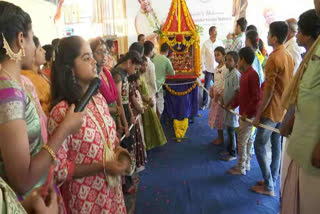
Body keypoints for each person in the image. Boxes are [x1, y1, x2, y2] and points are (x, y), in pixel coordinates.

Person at [0, 0, 83, 202]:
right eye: (31, 37)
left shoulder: (15, 83)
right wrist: (65, 129)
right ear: (21, 39)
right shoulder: (8, 91)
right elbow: (23, 179)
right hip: (30, 201)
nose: (35, 45)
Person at [49, 36, 128, 213]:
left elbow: (109, 139)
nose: (94, 61)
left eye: (92, 56)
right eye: (86, 58)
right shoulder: (61, 112)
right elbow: (58, 171)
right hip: (86, 200)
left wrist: (118, 150)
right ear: (70, 69)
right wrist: (102, 165)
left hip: (112, 193)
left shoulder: (98, 99)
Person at [280, 1, 320, 212]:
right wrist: (291, 120)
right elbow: (304, 92)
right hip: (301, 138)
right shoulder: (312, 52)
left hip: (313, 145)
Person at [251, 21, 294, 196]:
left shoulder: (274, 58)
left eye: (268, 34)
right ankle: (272, 180)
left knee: (259, 144)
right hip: (282, 110)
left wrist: (258, 114)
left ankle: (269, 185)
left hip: (271, 110)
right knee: (276, 145)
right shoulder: (288, 55)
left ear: (274, 38)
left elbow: (268, 91)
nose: (266, 37)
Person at [112, 51, 143, 194]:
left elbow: (125, 100)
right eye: (135, 68)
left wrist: (129, 115)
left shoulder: (123, 73)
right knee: (124, 148)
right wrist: (123, 123)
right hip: (119, 114)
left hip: (124, 111)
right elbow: (119, 101)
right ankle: (125, 184)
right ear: (129, 62)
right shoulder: (118, 74)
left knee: (128, 146)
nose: (135, 72)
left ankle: (129, 179)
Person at [228, 47, 261, 175]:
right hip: (244, 113)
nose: (238, 62)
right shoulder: (245, 74)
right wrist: (233, 104)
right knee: (246, 139)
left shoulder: (252, 74)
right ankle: (245, 164)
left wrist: (248, 112)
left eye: (239, 59)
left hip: (248, 115)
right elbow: (242, 94)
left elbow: (256, 97)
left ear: (243, 60)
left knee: (242, 140)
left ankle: (241, 167)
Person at [90, 37, 126, 139]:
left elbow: (114, 101)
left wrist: (119, 123)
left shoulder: (107, 72)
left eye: (105, 52)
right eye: (99, 52)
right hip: (102, 121)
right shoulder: (92, 78)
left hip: (113, 117)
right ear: (91, 54)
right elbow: (93, 107)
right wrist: (113, 110)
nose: (104, 56)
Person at [139, 56, 167, 150]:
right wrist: (149, 100)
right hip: (143, 104)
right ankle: (147, 146)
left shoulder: (141, 75)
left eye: (146, 65)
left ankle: (149, 144)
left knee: (150, 124)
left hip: (147, 101)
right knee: (146, 125)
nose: (145, 68)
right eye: (143, 65)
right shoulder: (137, 77)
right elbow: (139, 93)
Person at [21, 36, 51, 116]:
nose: (44, 51)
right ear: (32, 54)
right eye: (40, 49)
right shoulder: (29, 78)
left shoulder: (39, 74)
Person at [221, 51, 241, 162]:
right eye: (226, 59)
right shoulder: (229, 72)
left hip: (232, 108)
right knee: (228, 129)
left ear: (236, 62)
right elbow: (227, 89)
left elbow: (237, 92)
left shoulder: (236, 75)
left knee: (232, 129)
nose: (227, 62)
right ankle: (229, 149)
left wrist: (229, 104)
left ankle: (233, 153)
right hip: (227, 106)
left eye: (230, 60)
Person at [208, 47, 228, 145]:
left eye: (218, 55)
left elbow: (225, 83)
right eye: (215, 55)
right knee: (217, 117)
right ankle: (220, 137)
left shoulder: (225, 68)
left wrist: (220, 95)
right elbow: (215, 81)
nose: (216, 57)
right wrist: (212, 90)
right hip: (216, 96)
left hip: (222, 97)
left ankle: (225, 138)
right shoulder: (216, 68)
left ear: (224, 55)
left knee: (223, 118)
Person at [201, 26, 224, 110]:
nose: (216, 33)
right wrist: (203, 67)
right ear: (210, 33)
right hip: (209, 69)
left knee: (219, 86)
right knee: (206, 87)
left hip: (218, 69)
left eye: (216, 31)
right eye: (214, 31)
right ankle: (204, 104)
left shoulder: (220, 42)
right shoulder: (205, 44)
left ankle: (218, 103)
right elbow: (202, 56)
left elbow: (223, 54)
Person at [128, 72, 147, 172]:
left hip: (136, 117)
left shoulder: (135, 89)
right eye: (138, 80)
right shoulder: (130, 88)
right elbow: (134, 103)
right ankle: (136, 164)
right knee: (137, 139)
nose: (139, 82)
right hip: (134, 118)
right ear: (134, 81)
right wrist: (141, 109)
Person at [151, 43, 175, 117]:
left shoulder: (153, 58)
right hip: (159, 87)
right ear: (167, 51)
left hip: (151, 85)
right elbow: (172, 73)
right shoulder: (166, 60)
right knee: (160, 107)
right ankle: (158, 125)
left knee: (153, 107)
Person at [142, 41, 157, 111]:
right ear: (150, 51)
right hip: (149, 91)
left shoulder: (140, 60)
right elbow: (152, 80)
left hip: (141, 91)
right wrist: (156, 91)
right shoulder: (150, 64)